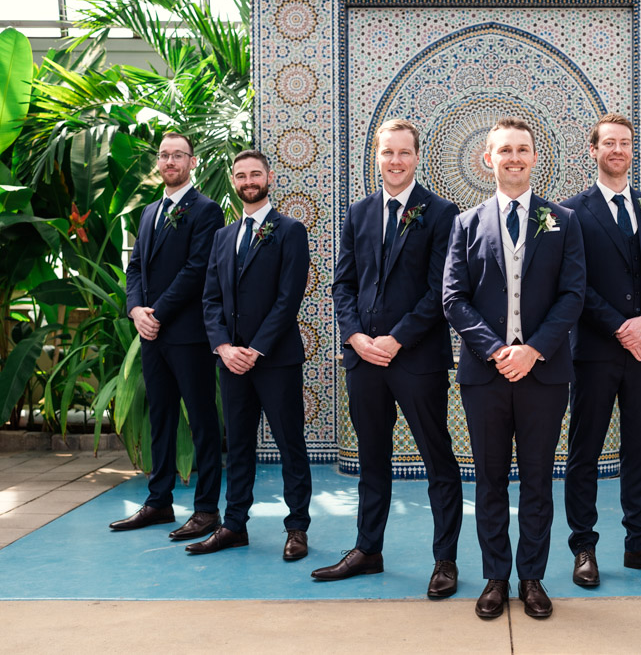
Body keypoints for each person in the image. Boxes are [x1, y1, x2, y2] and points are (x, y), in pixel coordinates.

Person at [312, 120, 463, 597]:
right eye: (387, 153)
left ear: (417, 157)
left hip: (416, 359)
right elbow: (344, 284)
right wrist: (355, 337)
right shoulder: (358, 213)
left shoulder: (441, 213)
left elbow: (441, 290)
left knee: (438, 458)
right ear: (376, 157)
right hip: (363, 360)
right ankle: (368, 549)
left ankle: (445, 560)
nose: (395, 161)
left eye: (403, 153)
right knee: (371, 459)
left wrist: (396, 340)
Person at [443, 117, 585, 620]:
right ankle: (495, 577)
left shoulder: (563, 221)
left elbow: (572, 296)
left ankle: (533, 578)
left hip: (544, 374)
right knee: (489, 480)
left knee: (539, 480)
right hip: (485, 376)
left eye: (522, 149)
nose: (514, 158)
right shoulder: (465, 224)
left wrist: (534, 350)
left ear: (534, 157)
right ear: (489, 160)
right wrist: (497, 350)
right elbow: (454, 299)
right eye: (505, 150)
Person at [562, 113, 641, 586]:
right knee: (585, 452)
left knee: (639, 448)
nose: (618, 150)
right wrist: (620, 326)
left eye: (625, 143)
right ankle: (584, 547)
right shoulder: (571, 211)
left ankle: (639, 542)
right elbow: (573, 282)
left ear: (633, 151)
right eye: (608, 143)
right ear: (592, 151)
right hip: (594, 351)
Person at [189, 150, 313, 561]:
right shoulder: (223, 236)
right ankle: (234, 525)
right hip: (231, 362)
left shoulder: (290, 230)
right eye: (241, 175)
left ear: (269, 177)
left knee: (290, 444)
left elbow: (287, 299)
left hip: (275, 360)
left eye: (255, 174)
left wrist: (255, 349)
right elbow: (210, 298)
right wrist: (224, 347)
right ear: (233, 180)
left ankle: (297, 528)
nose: (248, 181)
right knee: (239, 446)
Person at [111, 133, 224, 540]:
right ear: (158, 162)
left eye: (178, 155)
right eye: (164, 155)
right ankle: (158, 502)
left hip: (189, 335)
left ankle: (207, 510)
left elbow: (197, 270)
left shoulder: (207, 211)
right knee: (161, 417)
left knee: (202, 422)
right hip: (152, 334)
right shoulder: (149, 212)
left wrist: (156, 312)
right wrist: (137, 310)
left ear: (192, 162)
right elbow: (136, 266)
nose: (170, 161)